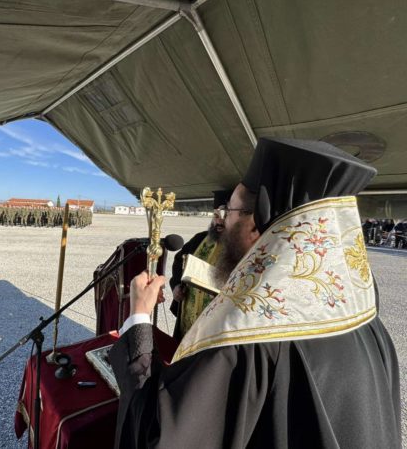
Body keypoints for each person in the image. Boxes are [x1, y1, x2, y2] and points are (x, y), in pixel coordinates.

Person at [109, 137, 401, 448]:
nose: (222, 220)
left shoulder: (245, 335)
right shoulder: (363, 315)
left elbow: (160, 434)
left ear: (254, 225)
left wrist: (139, 318)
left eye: (229, 210)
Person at [169, 190, 232, 341]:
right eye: (216, 216)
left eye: (225, 216)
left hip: (217, 326)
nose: (219, 221)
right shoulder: (199, 239)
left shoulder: (242, 246)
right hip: (188, 318)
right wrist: (176, 286)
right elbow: (179, 262)